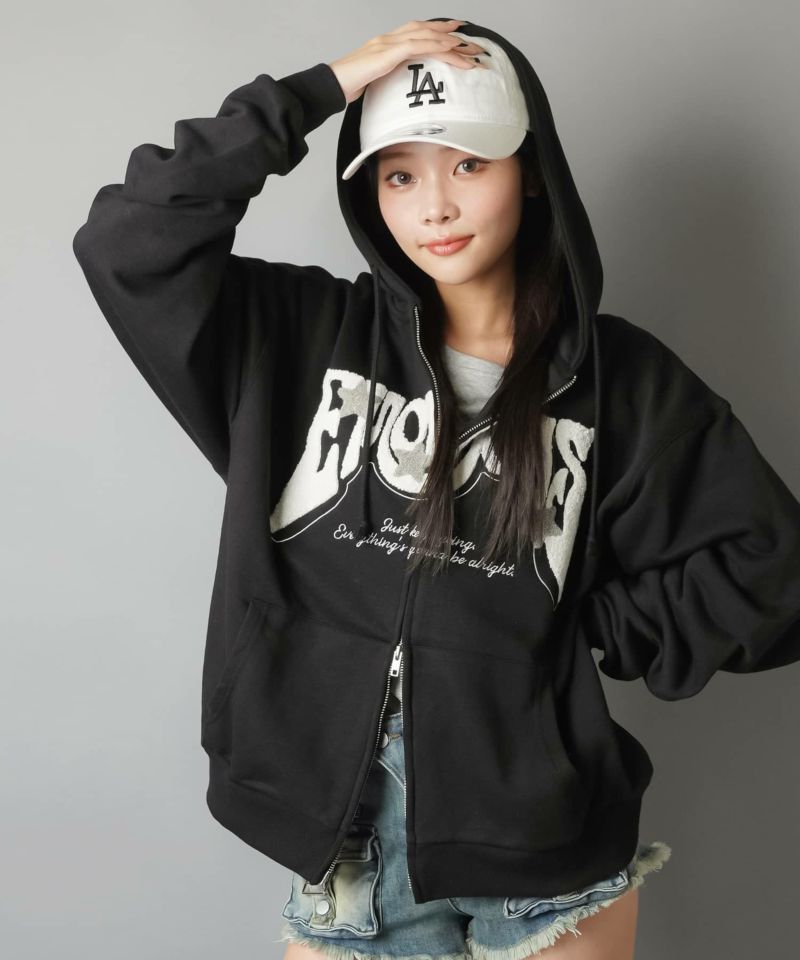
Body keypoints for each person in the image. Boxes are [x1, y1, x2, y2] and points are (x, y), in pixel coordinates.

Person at [71, 16, 800, 960]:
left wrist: (576, 633)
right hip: (350, 847)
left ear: (529, 171)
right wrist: (322, 88)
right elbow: (126, 239)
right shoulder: (295, 336)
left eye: (468, 163)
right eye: (400, 174)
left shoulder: (624, 385)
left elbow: (772, 571)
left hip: (544, 851)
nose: (435, 207)